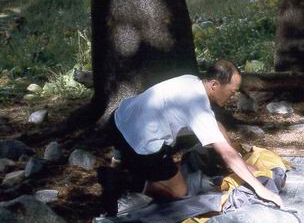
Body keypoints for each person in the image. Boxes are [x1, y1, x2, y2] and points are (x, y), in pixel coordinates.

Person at [108, 59, 283, 208]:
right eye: (232, 92)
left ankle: (120, 162)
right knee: (179, 192)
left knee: (213, 132)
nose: (232, 96)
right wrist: (260, 189)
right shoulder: (198, 107)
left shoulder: (191, 81)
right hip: (140, 140)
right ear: (214, 85)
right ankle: (126, 181)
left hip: (119, 118)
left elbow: (217, 128)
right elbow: (224, 151)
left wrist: (237, 158)